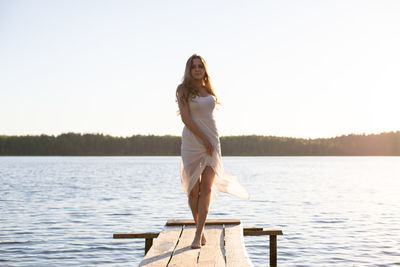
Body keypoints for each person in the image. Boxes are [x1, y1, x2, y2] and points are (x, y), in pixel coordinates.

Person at [176, 54, 249, 249]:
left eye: (201, 66)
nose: (198, 69)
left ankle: (198, 234)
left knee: (206, 188)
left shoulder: (208, 89)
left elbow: (208, 115)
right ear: (189, 70)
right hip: (193, 141)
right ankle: (199, 227)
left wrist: (210, 140)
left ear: (204, 69)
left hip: (212, 140)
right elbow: (185, 118)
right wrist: (203, 138)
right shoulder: (183, 90)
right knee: (193, 191)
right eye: (194, 67)